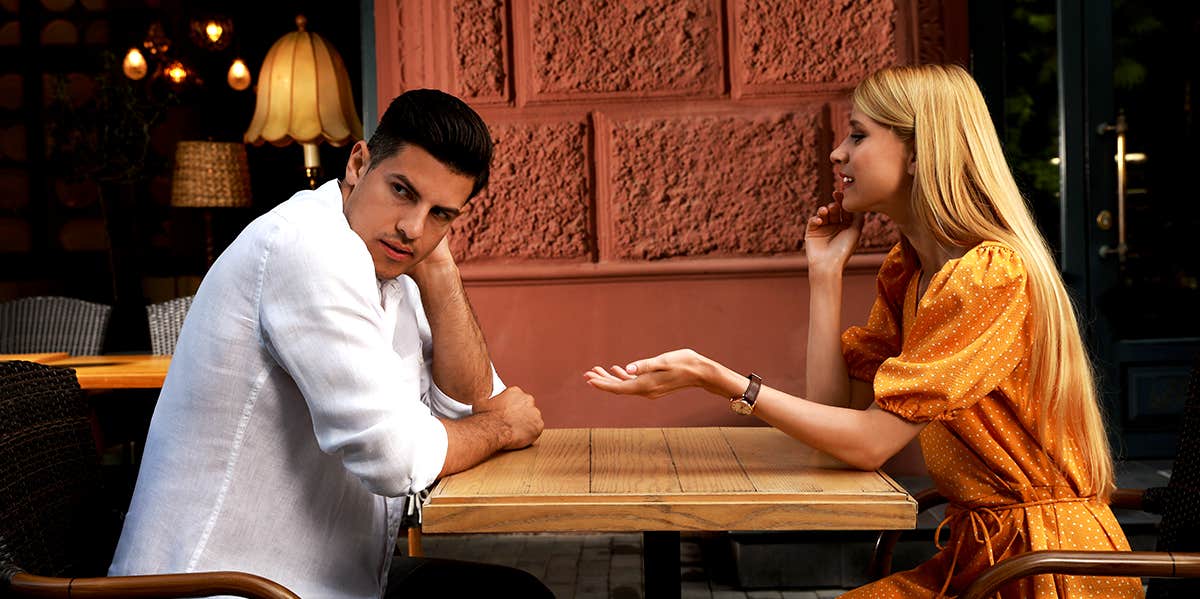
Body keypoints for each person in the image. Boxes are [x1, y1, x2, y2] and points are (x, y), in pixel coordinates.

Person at [585, 64, 1142, 598]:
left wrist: (721, 380)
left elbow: (869, 442)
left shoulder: (988, 277)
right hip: (982, 562)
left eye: (857, 135)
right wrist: (824, 273)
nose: (838, 152)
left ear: (923, 153)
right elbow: (838, 429)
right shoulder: (912, 272)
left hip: (1049, 570)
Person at [109, 89, 552, 598]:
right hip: (221, 585)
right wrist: (495, 428)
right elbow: (398, 456)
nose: (412, 228)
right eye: (403, 191)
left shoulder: (396, 267)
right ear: (359, 163)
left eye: (441, 215)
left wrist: (440, 267)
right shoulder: (307, 247)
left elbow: (471, 405)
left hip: (330, 581)